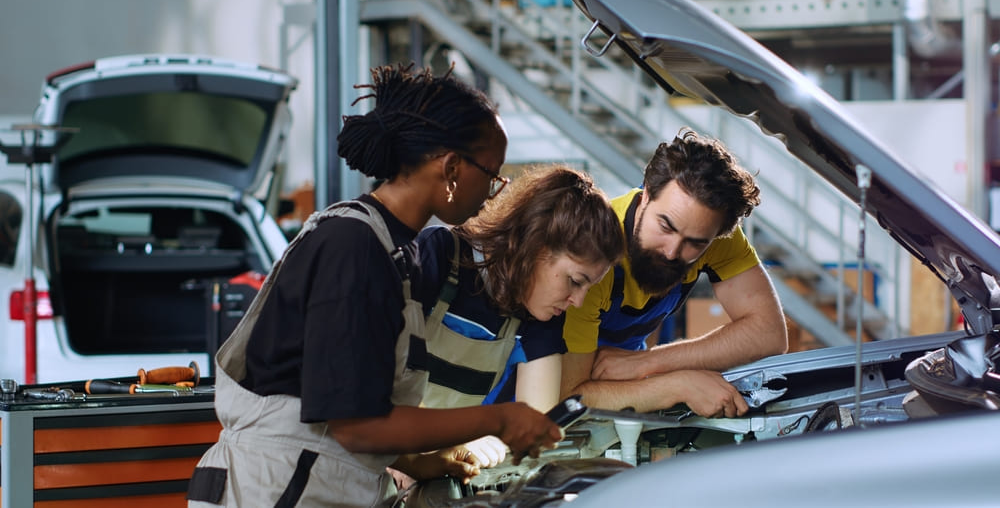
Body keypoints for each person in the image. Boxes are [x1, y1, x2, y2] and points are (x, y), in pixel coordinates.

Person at [187, 63, 561, 507]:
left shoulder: (395, 250)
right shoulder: (354, 246)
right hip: (275, 488)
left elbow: (353, 398)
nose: (493, 192)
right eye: (492, 175)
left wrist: (421, 463)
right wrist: (499, 419)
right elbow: (357, 425)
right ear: (451, 168)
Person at [561, 127, 788, 419]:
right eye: (666, 227)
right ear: (646, 195)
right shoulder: (593, 254)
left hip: (628, 384)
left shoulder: (712, 233)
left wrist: (648, 362)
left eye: (695, 243)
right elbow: (568, 397)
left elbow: (769, 333)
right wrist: (678, 385)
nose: (672, 252)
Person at [414, 164, 624, 467]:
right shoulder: (439, 255)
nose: (578, 301)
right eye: (575, 281)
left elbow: (534, 431)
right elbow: (372, 377)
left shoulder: (540, 316)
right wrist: (454, 436)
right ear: (535, 245)